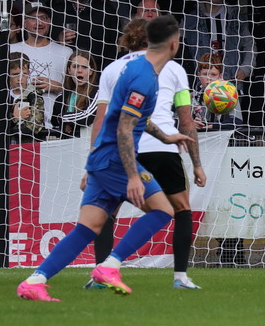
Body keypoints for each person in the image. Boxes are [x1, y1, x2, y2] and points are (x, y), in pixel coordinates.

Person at [16, 15, 193, 302]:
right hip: (115, 157)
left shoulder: (134, 69)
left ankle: (34, 281)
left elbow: (133, 118)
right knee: (164, 211)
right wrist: (133, 176)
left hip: (101, 156)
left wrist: (165, 137)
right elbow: (124, 127)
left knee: (88, 228)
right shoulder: (145, 77)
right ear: (174, 44)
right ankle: (110, 266)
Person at [84, 16, 206, 290]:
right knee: (182, 210)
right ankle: (180, 278)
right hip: (162, 149)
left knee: (106, 211)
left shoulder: (112, 69)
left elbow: (101, 120)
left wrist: (91, 162)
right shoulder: (174, 69)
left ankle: (100, 276)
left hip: (124, 150)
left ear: (128, 39)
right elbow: (186, 121)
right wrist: (197, 164)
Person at [0, 3, 72, 131]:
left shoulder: (65, 52)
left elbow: (79, 90)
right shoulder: (9, 50)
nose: (39, 23)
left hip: (52, 128)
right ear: (24, 23)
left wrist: (57, 87)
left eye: (43, 18)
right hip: (13, 126)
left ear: (49, 21)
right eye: (33, 18)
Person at [181, 0, 256, 87]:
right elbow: (177, 46)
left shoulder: (236, 18)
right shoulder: (190, 19)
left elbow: (249, 45)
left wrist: (245, 69)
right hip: (200, 84)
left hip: (231, 82)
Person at [50, 0, 121, 71]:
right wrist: (57, 41)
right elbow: (44, 45)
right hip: (63, 73)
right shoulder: (56, 12)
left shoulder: (106, 11)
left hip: (96, 74)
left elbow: (112, 49)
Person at [0, 52, 46, 142]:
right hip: (3, 147)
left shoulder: (34, 96)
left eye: (23, 74)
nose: (20, 78)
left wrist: (6, 123)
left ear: (29, 73)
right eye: (15, 74)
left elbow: (33, 127)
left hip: (28, 147)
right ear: (7, 75)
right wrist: (15, 117)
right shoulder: (2, 96)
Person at [51, 51, 99, 138]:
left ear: (91, 71)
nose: (79, 71)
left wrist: (64, 118)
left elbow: (86, 117)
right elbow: (55, 122)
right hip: (67, 148)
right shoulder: (61, 98)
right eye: (75, 66)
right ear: (69, 70)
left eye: (84, 67)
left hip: (90, 146)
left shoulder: (97, 93)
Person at [191, 52, 243, 131]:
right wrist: (190, 124)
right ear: (199, 75)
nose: (209, 78)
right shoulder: (192, 96)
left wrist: (211, 127)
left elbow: (237, 122)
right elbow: (175, 121)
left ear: (220, 76)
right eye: (205, 74)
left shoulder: (229, 94)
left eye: (213, 74)